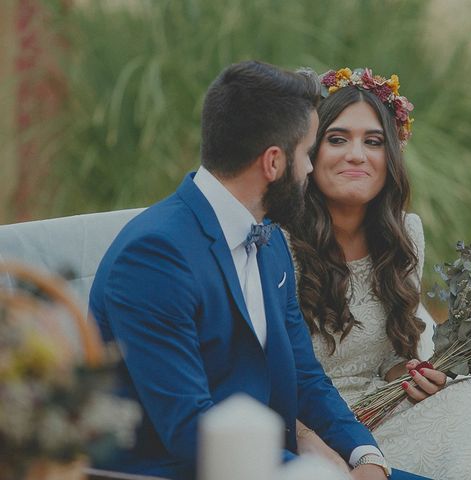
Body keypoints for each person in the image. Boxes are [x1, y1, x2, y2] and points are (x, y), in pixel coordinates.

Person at [89, 61, 429, 480]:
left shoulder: (266, 238)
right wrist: (312, 471)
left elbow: (305, 375)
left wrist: (363, 455)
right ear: (273, 163)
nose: (309, 169)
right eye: (306, 154)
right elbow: (190, 429)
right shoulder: (155, 256)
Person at [288, 67, 471, 480]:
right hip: (313, 429)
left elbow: (394, 357)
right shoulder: (281, 243)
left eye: (373, 142)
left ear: (389, 157)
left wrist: (414, 374)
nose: (357, 154)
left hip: (385, 412)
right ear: (310, 151)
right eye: (338, 139)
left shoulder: (404, 236)